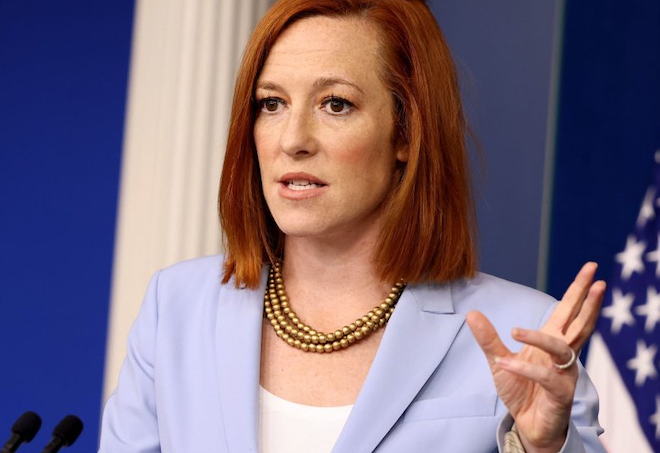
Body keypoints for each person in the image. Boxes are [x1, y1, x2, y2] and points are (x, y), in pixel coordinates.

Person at [99, 0, 606, 452]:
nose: (292, 140)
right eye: (271, 104)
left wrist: (545, 448)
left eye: (335, 104)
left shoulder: (525, 333)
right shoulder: (177, 307)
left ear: (407, 132)